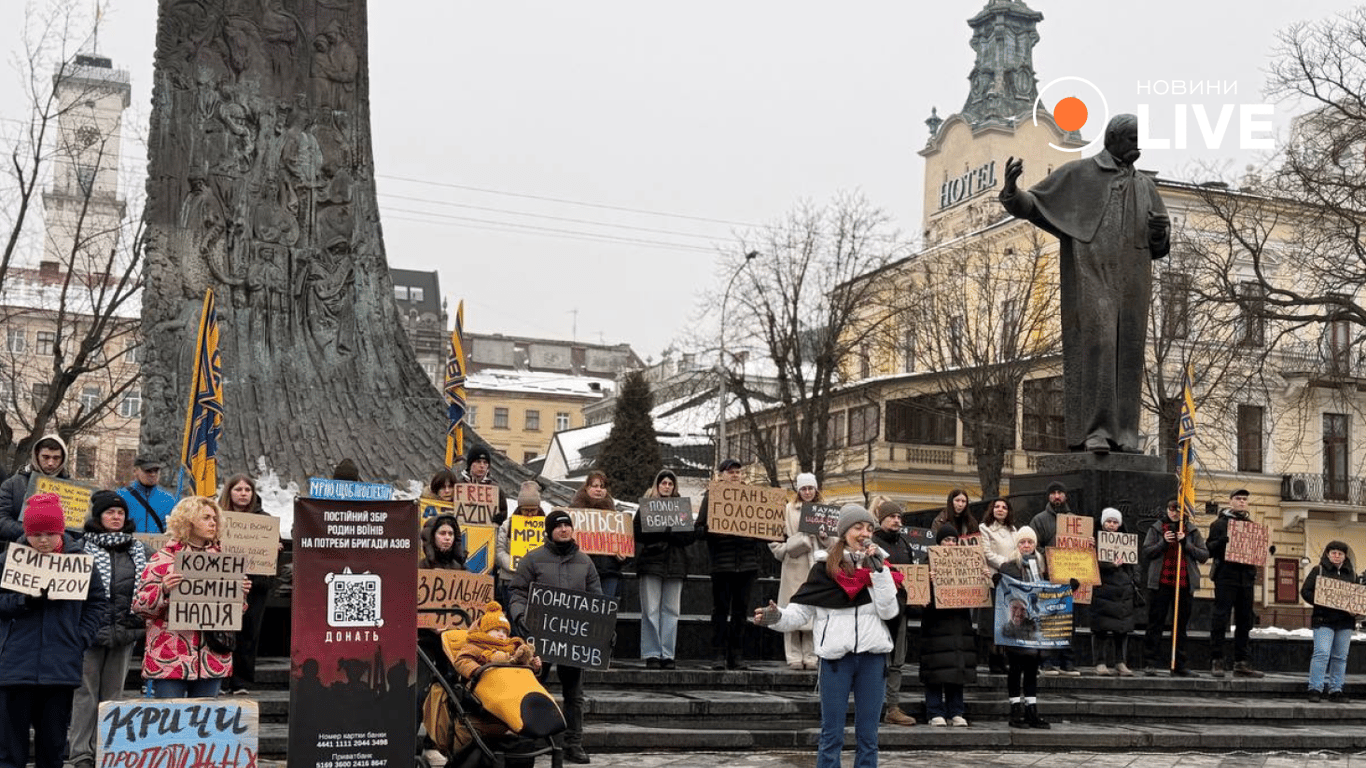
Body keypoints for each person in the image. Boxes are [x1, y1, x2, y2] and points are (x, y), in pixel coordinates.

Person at [1000, 113, 1171, 455]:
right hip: (1092, 276)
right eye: (1132, 138)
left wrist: (1159, 233)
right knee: (1100, 347)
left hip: (1134, 280)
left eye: (1141, 138)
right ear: (1112, 138)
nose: (1138, 145)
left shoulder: (1145, 187)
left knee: (1129, 353)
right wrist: (1011, 191)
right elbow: (1034, 205)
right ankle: (1095, 431)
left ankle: (1124, 434)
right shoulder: (1080, 174)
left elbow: (1160, 246)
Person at [753, 504, 899, 768]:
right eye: (858, 527)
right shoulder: (823, 569)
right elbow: (799, 613)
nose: (864, 532)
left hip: (872, 660)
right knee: (831, 734)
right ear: (844, 532)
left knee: (869, 736)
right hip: (835, 661)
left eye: (869, 528)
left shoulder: (880, 568)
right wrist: (776, 617)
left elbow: (889, 612)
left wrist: (881, 573)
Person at [0, 493, 108, 768]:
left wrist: (80, 638)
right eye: (36, 535)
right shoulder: (8, 561)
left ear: (61, 531)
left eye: (50, 533)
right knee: (10, 752)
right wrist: (22, 601)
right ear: (26, 533)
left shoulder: (82, 562)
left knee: (53, 748)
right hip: (14, 666)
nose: (44, 541)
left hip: (60, 666)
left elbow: (97, 603)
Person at [64, 491, 151, 768]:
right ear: (98, 517)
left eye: (120, 513)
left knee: (114, 696)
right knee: (84, 695)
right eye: (110, 513)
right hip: (89, 633)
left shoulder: (140, 550)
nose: (116, 517)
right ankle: (81, 753)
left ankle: (108, 750)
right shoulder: (79, 548)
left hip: (124, 631)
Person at [133, 496, 249, 698]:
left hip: (212, 657)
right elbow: (139, 606)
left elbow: (233, 613)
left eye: (214, 518)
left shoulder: (224, 561)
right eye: (205, 517)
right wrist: (163, 590)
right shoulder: (163, 559)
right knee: (170, 725)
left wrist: (241, 595)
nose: (213, 522)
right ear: (188, 521)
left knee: (204, 726)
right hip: (170, 658)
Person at [509, 509, 599, 765]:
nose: (563, 529)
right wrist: (521, 618)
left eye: (567, 525)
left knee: (575, 695)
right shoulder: (533, 559)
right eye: (558, 526)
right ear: (549, 531)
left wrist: (599, 631)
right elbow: (517, 592)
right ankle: (532, 742)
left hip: (574, 641)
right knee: (534, 689)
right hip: (539, 637)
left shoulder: (586, 562)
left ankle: (574, 744)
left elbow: (597, 600)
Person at [695, 458, 764, 670]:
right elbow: (699, 528)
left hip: (747, 564)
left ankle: (737, 656)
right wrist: (714, 530)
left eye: (738, 472)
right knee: (720, 610)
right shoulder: (713, 496)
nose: (735, 475)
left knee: (741, 612)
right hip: (722, 564)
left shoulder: (753, 497)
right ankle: (718, 655)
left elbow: (764, 528)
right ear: (721, 475)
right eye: (730, 472)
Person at [218, 473, 281, 695]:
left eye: (247, 490)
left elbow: (270, 554)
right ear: (229, 492)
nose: (243, 494)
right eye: (238, 490)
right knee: (222, 630)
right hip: (223, 584)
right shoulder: (216, 517)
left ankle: (241, 681)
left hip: (255, 585)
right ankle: (221, 679)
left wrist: (274, 548)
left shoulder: (265, 520)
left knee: (248, 632)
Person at [1142, 498, 1208, 677]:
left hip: (1183, 584)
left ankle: (1179, 663)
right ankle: (1150, 662)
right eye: (1171, 509)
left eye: (1178, 510)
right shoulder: (1156, 528)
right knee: (1155, 623)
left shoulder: (1192, 531)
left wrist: (1186, 543)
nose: (1174, 512)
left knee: (1180, 626)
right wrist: (1163, 542)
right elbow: (1147, 551)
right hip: (1161, 583)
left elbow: (1203, 555)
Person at [633, 470, 692, 670]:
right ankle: (652, 653)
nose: (667, 486)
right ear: (657, 485)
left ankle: (668, 654)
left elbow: (688, 537)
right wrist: (666, 531)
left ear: (674, 487)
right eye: (663, 483)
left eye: (670, 483)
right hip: (651, 563)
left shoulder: (682, 508)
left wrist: (668, 532)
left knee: (671, 611)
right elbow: (637, 533)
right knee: (650, 610)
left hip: (675, 565)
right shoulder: (645, 508)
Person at [921, 523, 977, 727]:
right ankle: (934, 711)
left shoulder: (967, 563)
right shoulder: (927, 563)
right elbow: (918, 598)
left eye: (954, 540)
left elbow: (978, 593)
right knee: (935, 669)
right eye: (946, 540)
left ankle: (956, 711)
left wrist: (983, 578)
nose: (951, 544)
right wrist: (928, 581)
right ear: (939, 542)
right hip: (935, 624)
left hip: (960, 625)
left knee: (957, 669)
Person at [995, 525, 1051, 729]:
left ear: (1035, 545)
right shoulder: (1009, 566)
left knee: (1031, 669)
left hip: (1035, 628)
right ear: (1017, 545)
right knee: (1015, 668)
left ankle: (1031, 709)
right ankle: (1015, 708)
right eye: (1022, 542)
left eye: (1030, 542)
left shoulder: (1042, 567)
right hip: (1016, 626)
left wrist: (1070, 588)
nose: (1026, 545)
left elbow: (1049, 592)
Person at [769, 473, 826, 671]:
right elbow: (774, 537)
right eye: (804, 488)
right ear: (798, 490)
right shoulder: (787, 510)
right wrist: (788, 550)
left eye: (810, 488)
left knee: (814, 611)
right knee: (791, 608)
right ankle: (793, 655)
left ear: (816, 489)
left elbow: (834, 542)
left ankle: (811, 655)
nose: (807, 492)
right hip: (794, 564)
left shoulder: (823, 511)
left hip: (816, 566)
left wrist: (824, 537)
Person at [1206, 489, 1266, 678]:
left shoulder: (1251, 526)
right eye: (1238, 499)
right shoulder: (1219, 524)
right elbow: (1208, 549)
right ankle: (1217, 660)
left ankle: (1241, 662)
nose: (1241, 502)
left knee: (1245, 620)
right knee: (1221, 618)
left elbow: (1257, 551)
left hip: (1246, 578)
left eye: (1244, 499)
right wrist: (1222, 542)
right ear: (1230, 501)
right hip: (1226, 576)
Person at [871, 498, 917, 727]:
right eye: (892, 517)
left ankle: (892, 707)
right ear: (881, 520)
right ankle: (873, 704)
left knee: (897, 661)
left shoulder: (904, 544)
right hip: (877, 610)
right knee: (876, 659)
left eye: (899, 517)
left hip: (901, 609)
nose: (896, 520)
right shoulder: (871, 543)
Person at [1028, 482, 1079, 675]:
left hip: (1069, 580)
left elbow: (1082, 551)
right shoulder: (1039, 520)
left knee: (1068, 621)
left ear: (1066, 496)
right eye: (1053, 493)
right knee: (1047, 621)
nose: (1057, 496)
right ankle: (1046, 660)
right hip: (1047, 578)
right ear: (1048, 496)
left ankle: (1068, 661)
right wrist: (1053, 557)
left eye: (1060, 493)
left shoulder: (1076, 521)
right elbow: (1033, 547)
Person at [1301, 541, 1358, 702]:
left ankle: (1336, 689)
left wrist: (1355, 609)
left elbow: (1357, 597)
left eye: (1340, 553)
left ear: (1345, 556)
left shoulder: (1352, 574)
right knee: (1322, 654)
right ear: (1327, 554)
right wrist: (1320, 600)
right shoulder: (1318, 570)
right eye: (1333, 553)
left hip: (1345, 622)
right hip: (1324, 619)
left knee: (1340, 656)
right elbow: (1305, 591)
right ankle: (1315, 688)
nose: (1336, 556)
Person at [1091, 507, 1138, 677]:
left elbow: (1133, 564)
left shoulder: (1126, 541)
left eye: (1115, 522)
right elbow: (1091, 563)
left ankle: (1120, 662)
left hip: (1122, 591)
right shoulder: (1093, 539)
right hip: (1102, 588)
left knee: (1122, 630)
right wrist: (1110, 565)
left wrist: (1132, 579)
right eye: (1109, 521)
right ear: (1103, 523)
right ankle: (1100, 662)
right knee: (1101, 629)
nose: (1111, 525)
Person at [0, 435, 70, 543]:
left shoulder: (73, 490)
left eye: (56, 458)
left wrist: (54, 537)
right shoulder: (13, 484)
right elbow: (2, 520)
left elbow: (79, 530)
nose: (51, 463)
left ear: (63, 458)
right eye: (45, 457)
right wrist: (32, 533)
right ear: (37, 455)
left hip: (60, 554)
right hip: (20, 550)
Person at [571, 470, 625, 600]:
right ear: (586, 487)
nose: (599, 490)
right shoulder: (573, 513)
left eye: (602, 486)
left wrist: (623, 556)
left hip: (609, 572)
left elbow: (623, 542)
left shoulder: (615, 516)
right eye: (594, 486)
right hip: (582, 573)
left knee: (604, 615)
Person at [980, 497, 1020, 674]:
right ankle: (993, 659)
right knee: (992, 623)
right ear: (991, 509)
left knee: (1006, 620)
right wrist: (1006, 564)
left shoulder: (1013, 530)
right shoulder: (984, 528)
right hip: (993, 579)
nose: (1000, 509)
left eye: (1004, 507)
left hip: (1010, 581)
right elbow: (987, 553)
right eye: (997, 506)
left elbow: (1018, 550)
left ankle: (1003, 658)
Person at [452, 601, 541, 679]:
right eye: (497, 630)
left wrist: (533, 665)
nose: (501, 634)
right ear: (485, 631)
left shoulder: (512, 647)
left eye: (504, 632)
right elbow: (462, 661)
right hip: (486, 681)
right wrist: (477, 670)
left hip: (511, 680)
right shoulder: (476, 645)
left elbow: (519, 662)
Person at [496, 481, 544, 605]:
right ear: (519, 508)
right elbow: (499, 551)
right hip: (511, 580)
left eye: (533, 510)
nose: (529, 514)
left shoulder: (547, 526)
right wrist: (515, 566)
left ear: (538, 508)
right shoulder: (507, 525)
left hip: (537, 581)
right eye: (525, 510)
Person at [115, 455, 176, 536]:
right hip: (128, 545)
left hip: (160, 546)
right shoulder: (120, 496)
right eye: (148, 471)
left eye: (156, 470)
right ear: (135, 471)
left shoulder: (169, 499)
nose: (153, 474)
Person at [462, 446, 508, 526]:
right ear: (470, 464)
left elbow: (503, 510)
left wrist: (499, 517)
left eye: (485, 462)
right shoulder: (459, 485)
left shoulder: (495, 488)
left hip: (486, 533)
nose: (482, 466)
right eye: (478, 461)